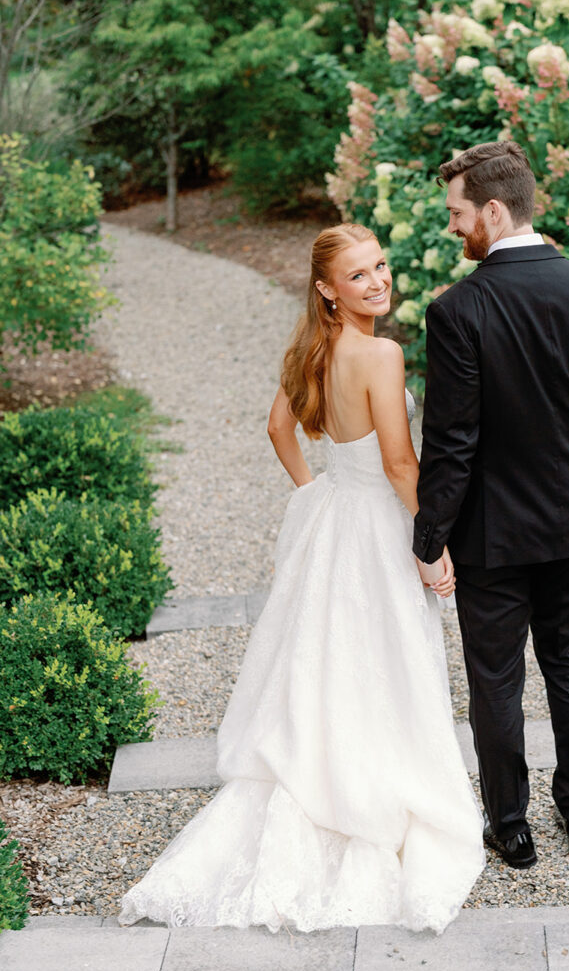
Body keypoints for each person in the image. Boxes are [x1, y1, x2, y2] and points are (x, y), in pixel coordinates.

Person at [119, 223, 484, 933]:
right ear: (327, 289)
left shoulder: (309, 352)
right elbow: (402, 466)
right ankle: (372, 793)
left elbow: (277, 429)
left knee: (326, 659)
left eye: (380, 266)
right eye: (358, 276)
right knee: (386, 658)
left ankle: (322, 776)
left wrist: (308, 489)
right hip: (379, 523)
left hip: (331, 521)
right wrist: (431, 543)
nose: (377, 282)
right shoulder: (381, 354)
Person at [413, 141, 569, 870]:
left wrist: (430, 535)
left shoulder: (458, 312)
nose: (454, 228)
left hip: (492, 534)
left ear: (494, 210)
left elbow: (452, 442)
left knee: (497, 678)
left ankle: (510, 827)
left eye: (458, 214)